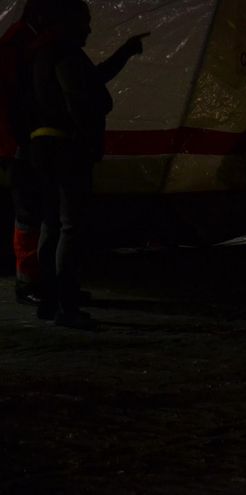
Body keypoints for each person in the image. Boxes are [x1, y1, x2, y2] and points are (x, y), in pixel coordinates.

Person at [29, 0, 148, 328]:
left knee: (51, 225)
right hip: (65, 148)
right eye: (84, 22)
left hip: (41, 146)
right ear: (68, 22)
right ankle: (67, 307)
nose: (89, 29)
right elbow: (80, 94)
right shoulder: (65, 53)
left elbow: (92, 79)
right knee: (71, 226)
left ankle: (49, 300)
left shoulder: (41, 53)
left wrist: (124, 52)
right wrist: (88, 138)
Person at [0, 0, 54, 306]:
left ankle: (32, 278)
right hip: (20, 144)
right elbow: (14, 99)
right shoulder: (20, 46)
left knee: (30, 211)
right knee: (28, 212)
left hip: (19, 143)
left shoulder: (20, 42)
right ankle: (28, 280)